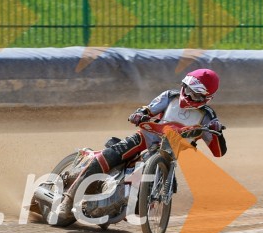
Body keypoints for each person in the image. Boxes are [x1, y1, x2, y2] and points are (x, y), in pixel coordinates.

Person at [55, 68, 227, 218]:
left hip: (170, 152)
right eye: (187, 89)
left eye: (194, 94)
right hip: (145, 138)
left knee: (169, 183)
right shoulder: (169, 96)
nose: (187, 95)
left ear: (206, 97)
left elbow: (218, 152)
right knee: (112, 154)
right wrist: (140, 114)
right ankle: (68, 199)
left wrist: (217, 131)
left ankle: (123, 200)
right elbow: (147, 109)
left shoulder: (207, 116)